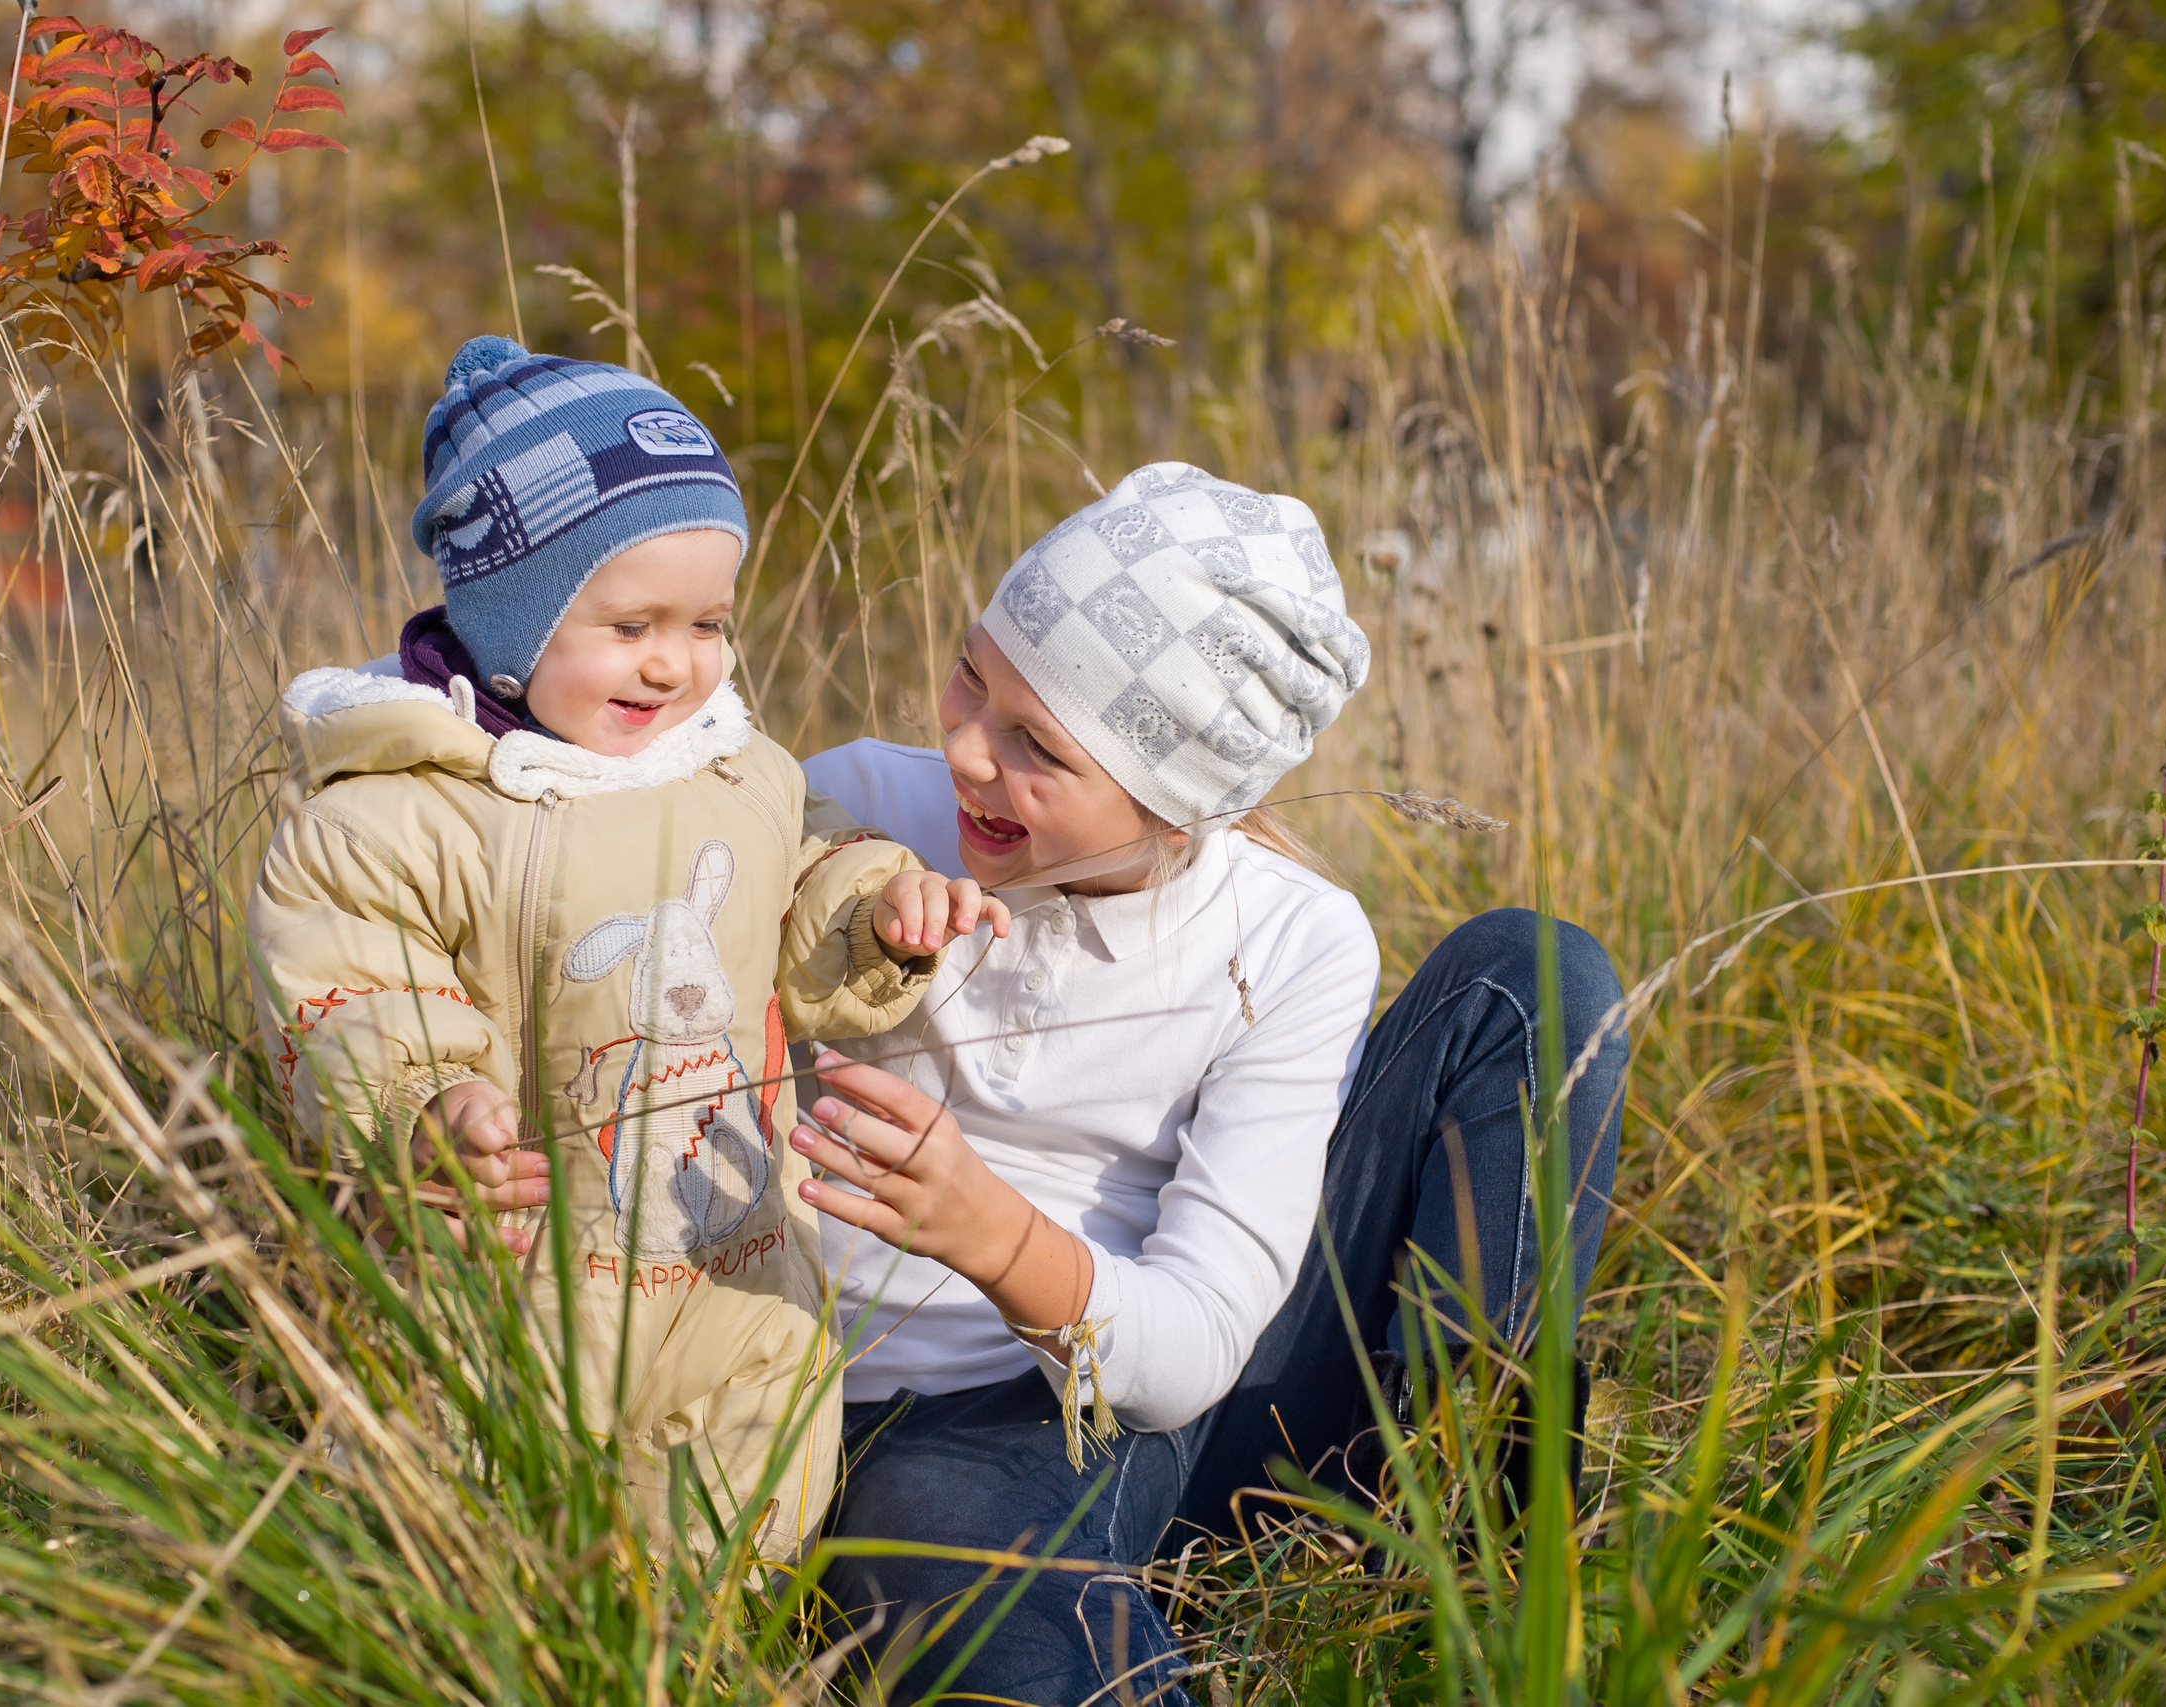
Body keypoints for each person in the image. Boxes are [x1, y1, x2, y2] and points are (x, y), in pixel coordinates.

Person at [795, 462, 1628, 1705]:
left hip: (1205, 1391)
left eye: (1037, 746)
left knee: (1533, 977)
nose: (964, 748)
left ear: (1176, 808)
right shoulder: (856, 803)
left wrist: (992, 1235)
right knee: (972, 1583)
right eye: (973, 674)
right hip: (937, 1430)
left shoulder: (1290, 936)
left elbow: (1195, 1340)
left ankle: (1476, 1516)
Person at [246, 335, 1005, 1556]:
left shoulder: (738, 773)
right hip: (501, 1280)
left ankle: (671, 1653)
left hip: (736, 1261)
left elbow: (800, 878)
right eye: (630, 621)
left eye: (706, 621)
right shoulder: (400, 810)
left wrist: (876, 909)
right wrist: (425, 1102)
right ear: (510, 617)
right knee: (461, 1521)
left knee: (751, 1465)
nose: (675, 660)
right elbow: (343, 988)